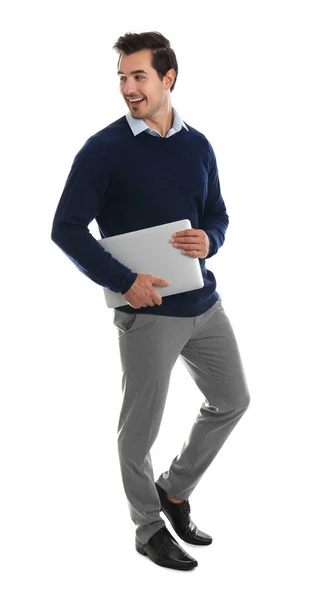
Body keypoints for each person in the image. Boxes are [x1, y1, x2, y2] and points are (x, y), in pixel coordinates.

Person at [51, 31, 250, 571]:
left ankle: (174, 491)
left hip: (204, 306)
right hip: (146, 314)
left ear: (168, 78)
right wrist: (122, 279)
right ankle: (147, 528)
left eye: (138, 76)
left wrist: (212, 239)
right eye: (121, 77)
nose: (128, 88)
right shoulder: (103, 149)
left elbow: (218, 215)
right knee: (138, 433)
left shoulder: (198, 145)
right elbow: (65, 228)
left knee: (233, 400)